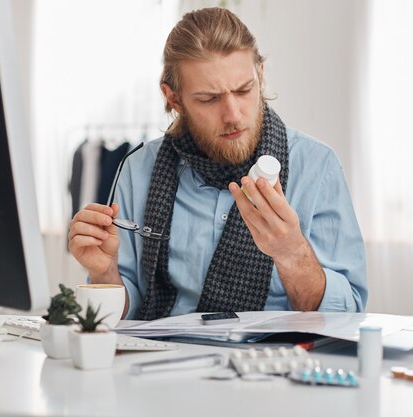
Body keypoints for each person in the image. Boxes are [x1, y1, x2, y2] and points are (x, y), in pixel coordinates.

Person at [68, 7, 367, 320]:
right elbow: (128, 310)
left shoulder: (318, 167)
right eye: (209, 99)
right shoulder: (138, 169)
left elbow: (348, 314)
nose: (233, 115)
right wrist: (104, 274)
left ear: (261, 76)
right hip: (165, 359)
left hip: (276, 362)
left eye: (244, 90)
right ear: (174, 98)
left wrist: (292, 253)